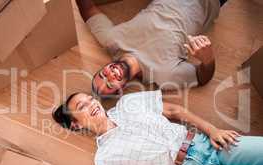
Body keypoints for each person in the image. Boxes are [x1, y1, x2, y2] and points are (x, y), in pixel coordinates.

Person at [53, 90, 263, 165]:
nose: (92, 104)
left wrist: (212, 130)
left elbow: (175, 112)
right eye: (82, 106)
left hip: (207, 144)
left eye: (90, 99)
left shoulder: (127, 103)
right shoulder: (104, 159)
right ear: (76, 124)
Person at [75, 0, 228, 96]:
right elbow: (202, 77)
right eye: (109, 84)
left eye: (102, 75)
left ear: (105, 67)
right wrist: (207, 58)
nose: (110, 76)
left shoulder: (111, 40)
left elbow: (88, 9)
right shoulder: (164, 75)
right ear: (121, 89)